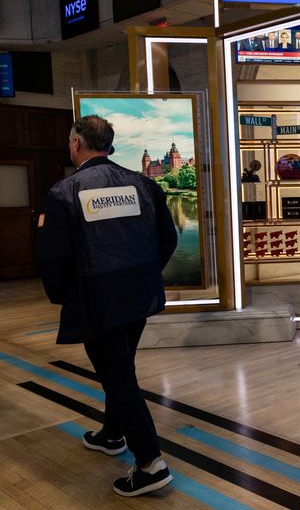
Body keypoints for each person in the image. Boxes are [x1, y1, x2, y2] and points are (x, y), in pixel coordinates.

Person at [36, 115, 177, 497]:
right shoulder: (143, 184)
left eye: (70, 142)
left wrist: (67, 296)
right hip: (139, 294)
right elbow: (168, 239)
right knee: (120, 367)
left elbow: (53, 258)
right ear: (109, 145)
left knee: (117, 376)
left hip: (98, 299)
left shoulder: (64, 192)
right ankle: (112, 434)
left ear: (77, 144)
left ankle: (150, 463)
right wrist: (145, 275)